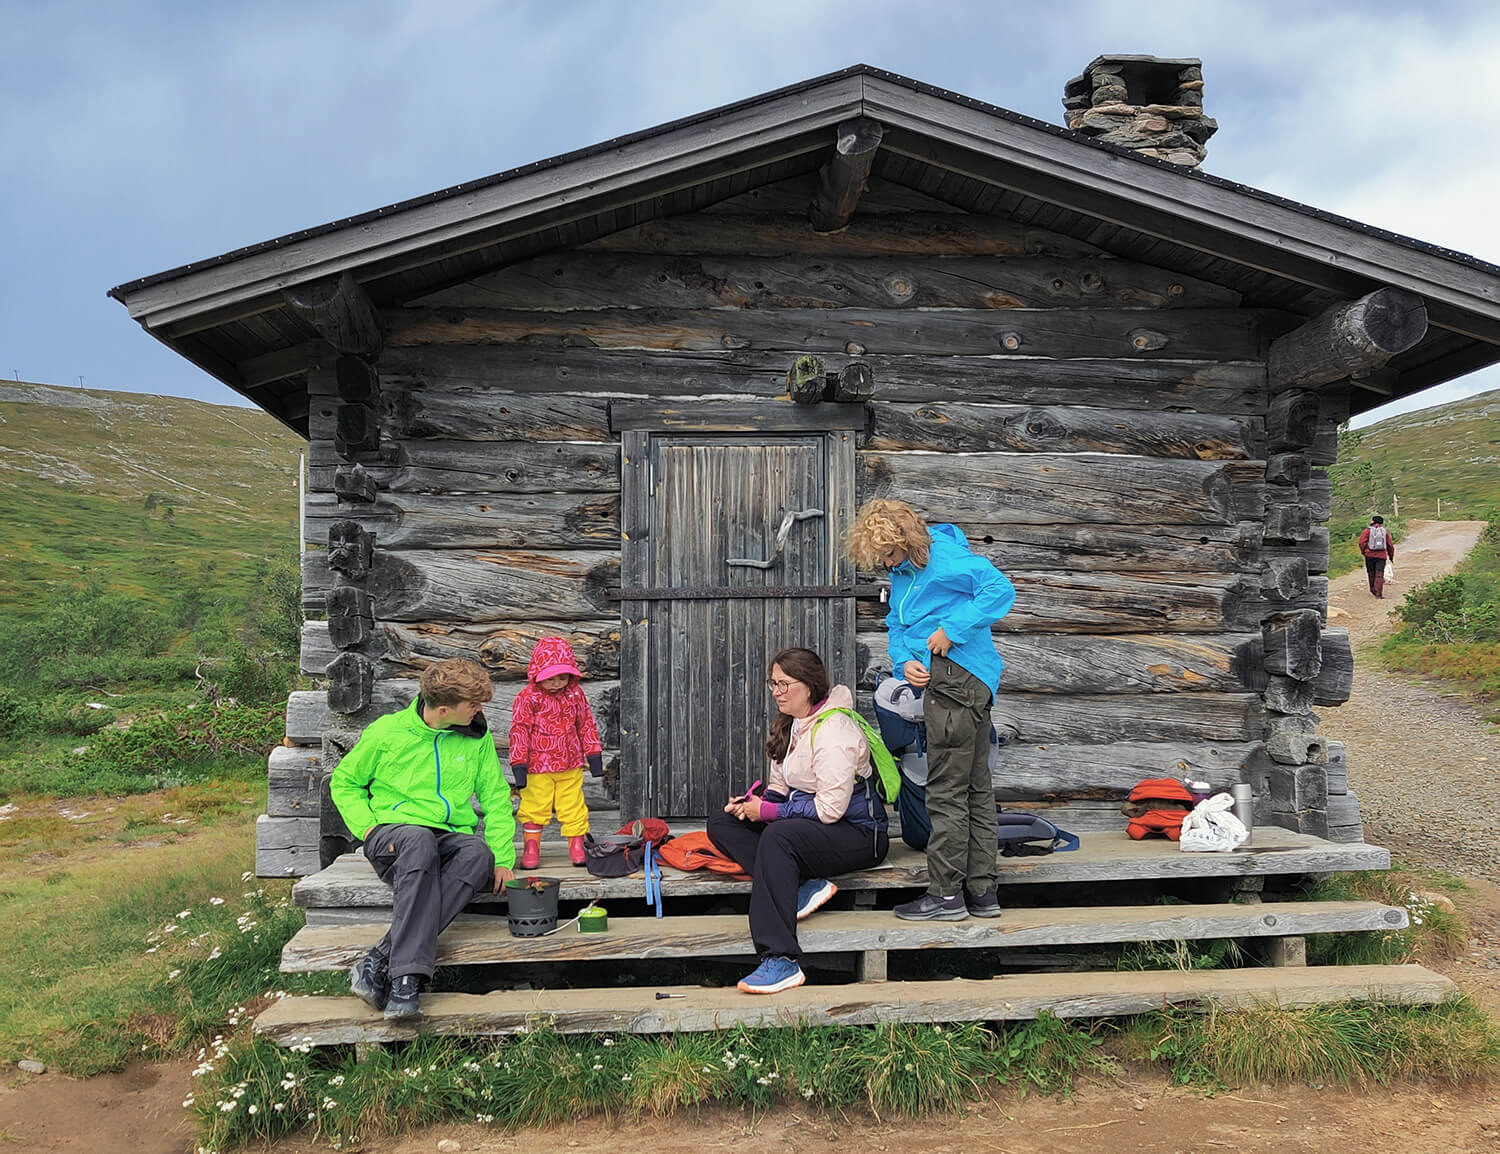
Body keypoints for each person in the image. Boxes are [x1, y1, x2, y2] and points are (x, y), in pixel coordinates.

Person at [846, 498, 1016, 922]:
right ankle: (981, 893)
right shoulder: (905, 573)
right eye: (880, 556)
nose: (886, 562)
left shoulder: (946, 560)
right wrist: (906, 660)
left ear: (905, 538)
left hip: (959, 679)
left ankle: (945, 895)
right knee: (974, 788)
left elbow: (1001, 590)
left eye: (889, 552)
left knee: (946, 791)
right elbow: (899, 626)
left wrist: (951, 631)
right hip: (941, 679)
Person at [329, 658, 515, 1021]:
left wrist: (504, 857)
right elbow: (345, 782)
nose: (480, 711)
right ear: (444, 709)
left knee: (478, 854)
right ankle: (406, 981)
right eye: (473, 705)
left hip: (446, 838)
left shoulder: (476, 737)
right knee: (418, 841)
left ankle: (379, 959)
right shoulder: (387, 733)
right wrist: (367, 827)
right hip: (393, 838)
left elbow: (495, 797)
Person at [706, 648, 890, 994]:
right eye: (773, 683)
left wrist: (770, 814)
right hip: (815, 828)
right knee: (722, 822)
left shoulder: (835, 730)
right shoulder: (792, 723)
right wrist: (753, 806)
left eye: (784, 684)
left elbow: (830, 810)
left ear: (809, 686)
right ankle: (804, 885)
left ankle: (781, 959)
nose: (776, 691)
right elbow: (780, 787)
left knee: (779, 838)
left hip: (861, 834)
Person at [509, 636, 605, 869]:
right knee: (534, 806)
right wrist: (518, 763)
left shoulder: (575, 695)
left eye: (563, 677)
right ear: (537, 674)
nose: (556, 683)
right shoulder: (528, 697)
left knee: (573, 805)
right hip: (537, 766)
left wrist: (594, 755)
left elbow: (586, 724)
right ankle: (532, 848)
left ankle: (576, 845)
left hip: (570, 764)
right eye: (550, 678)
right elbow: (519, 729)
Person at [1357, 515, 1396, 599]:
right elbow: (1390, 545)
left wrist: (1364, 551)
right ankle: (1379, 594)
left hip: (1369, 555)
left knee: (1371, 573)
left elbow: (1361, 542)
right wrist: (1391, 556)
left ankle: (1373, 589)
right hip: (1381, 556)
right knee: (1379, 574)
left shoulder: (1367, 531)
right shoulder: (1385, 531)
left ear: (1373, 521)